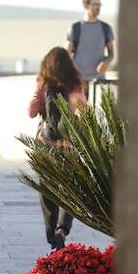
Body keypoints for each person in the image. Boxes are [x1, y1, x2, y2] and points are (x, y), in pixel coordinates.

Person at [28, 47, 89, 250]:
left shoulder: (44, 85)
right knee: (70, 190)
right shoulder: (74, 87)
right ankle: (62, 229)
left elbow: (30, 112)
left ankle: (51, 233)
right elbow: (85, 113)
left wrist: (40, 99)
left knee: (47, 190)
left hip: (46, 146)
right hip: (69, 148)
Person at [64, 0, 115, 88]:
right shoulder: (75, 28)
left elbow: (111, 53)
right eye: (95, 4)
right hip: (77, 82)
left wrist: (106, 62)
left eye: (99, 4)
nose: (98, 7)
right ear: (85, 6)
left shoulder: (106, 28)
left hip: (99, 82)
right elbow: (65, 55)